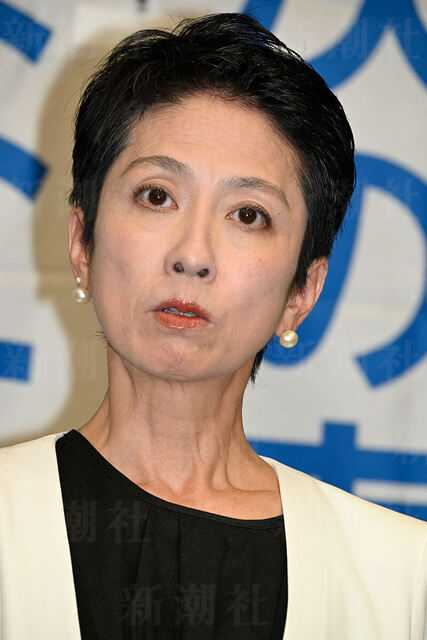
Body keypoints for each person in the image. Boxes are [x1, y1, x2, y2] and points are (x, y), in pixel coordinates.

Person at [1, 11, 426, 640]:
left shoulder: (402, 580)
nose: (192, 255)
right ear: (82, 241)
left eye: (248, 214)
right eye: (157, 196)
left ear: (302, 291)